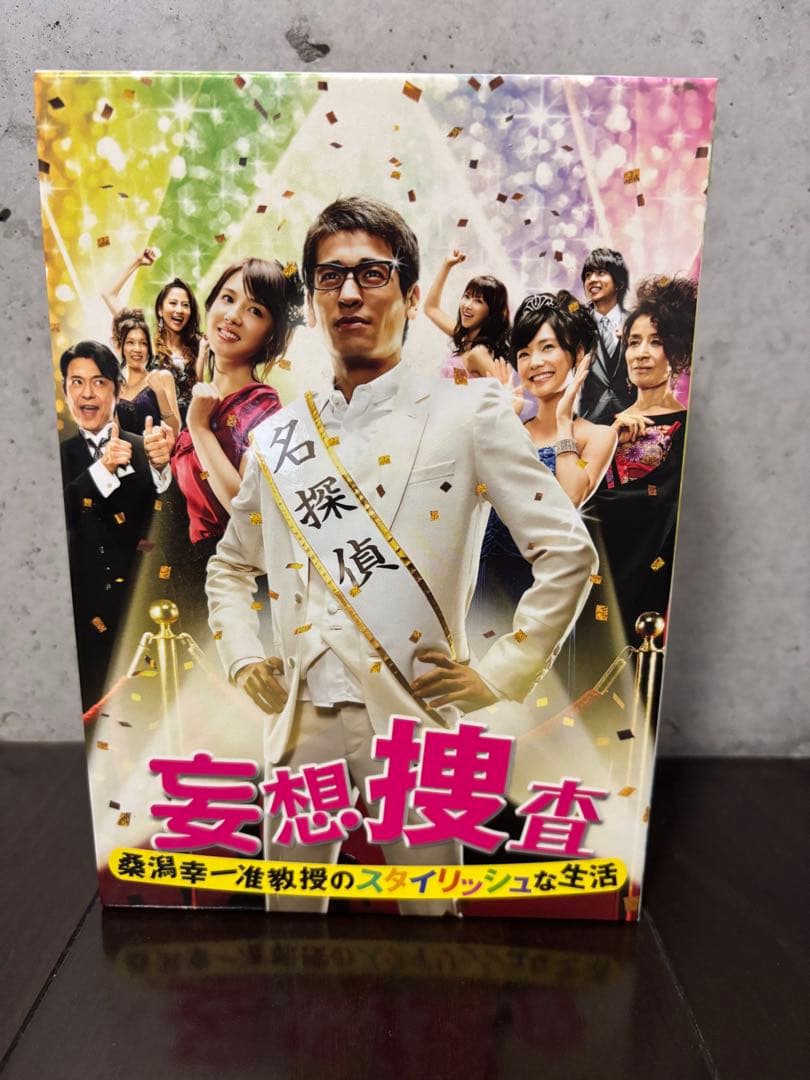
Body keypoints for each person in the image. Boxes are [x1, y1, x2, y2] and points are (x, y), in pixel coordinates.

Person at [205, 196, 597, 911]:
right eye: (330, 277)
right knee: (289, 917)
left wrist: (502, 671)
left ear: (412, 296)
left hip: (417, 719)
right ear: (313, 301)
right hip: (300, 719)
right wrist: (240, 656)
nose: (349, 293)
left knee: (431, 915)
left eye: (372, 273)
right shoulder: (280, 438)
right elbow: (231, 564)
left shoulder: (470, 413)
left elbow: (567, 551)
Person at [169, 257, 303, 629]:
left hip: (237, 584)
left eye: (254, 310)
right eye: (227, 299)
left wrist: (199, 429)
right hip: (186, 575)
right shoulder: (202, 398)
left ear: (272, 333)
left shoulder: (266, 411)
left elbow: (249, 514)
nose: (233, 316)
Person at [478, 291, 618, 633]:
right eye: (524, 353)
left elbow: (569, 498)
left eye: (547, 347)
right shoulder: (511, 426)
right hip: (482, 585)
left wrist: (563, 420)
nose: (534, 362)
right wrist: (500, 421)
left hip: (541, 591)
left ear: (578, 355)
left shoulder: (597, 436)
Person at [59, 341, 175, 710]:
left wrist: (162, 470)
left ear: (118, 387)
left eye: (98, 382)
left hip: (140, 618)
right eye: (76, 382)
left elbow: (171, 523)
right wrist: (103, 469)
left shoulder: (147, 448)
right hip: (77, 621)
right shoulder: (54, 455)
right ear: (65, 389)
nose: (86, 393)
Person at [594, 276, 698, 640]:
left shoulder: (691, 429)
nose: (641, 353)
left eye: (655, 342)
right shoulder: (603, 425)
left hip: (652, 596)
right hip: (589, 584)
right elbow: (574, 499)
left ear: (677, 351)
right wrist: (608, 439)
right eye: (634, 342)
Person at [102, 248, 201, 418]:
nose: (179, 310)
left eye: (185, 305)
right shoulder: (145, 341)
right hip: (153, 426)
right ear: (160, 309)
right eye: (173, 303)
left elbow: (200, 395)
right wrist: (137, 261)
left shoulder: (197, 346)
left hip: (189, 427)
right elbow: (108, 294)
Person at [423, 250, 510, 380]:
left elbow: (505, 390)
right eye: (467, 296)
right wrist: (447, 265)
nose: (467, 305)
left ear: (491, 312)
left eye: (478, 301)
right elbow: (431, 308)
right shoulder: (464, 338)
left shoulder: (478, 353)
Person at [578, 247, 635, 424]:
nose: (592, 280)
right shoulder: (576, 324)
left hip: (631, 419)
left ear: (619, 283)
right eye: (588, 275)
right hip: (589, 421)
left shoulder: (635, 323)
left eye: (601, 273)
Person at [111, 308, 180, 436]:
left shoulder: (163, 377)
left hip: (159, 448)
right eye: (130, 342)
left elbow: (175, 431)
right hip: (128, 448)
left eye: (143, 343)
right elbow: (114, 435)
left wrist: (160, 392)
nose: (137, 349)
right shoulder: (115, 385)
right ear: (121, 346)